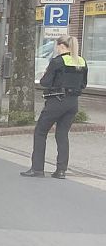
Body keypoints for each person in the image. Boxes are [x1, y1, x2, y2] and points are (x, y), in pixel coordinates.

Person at [21, 35, 88, 179]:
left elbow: (45, 82)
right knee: (62, 134)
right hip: (73, 103)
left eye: (57, 46)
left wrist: (45, 74)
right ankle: (61, 171)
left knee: (40, 132)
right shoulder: (81, 61)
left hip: (57, 101)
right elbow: (83, 84)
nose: (56, 48)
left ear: (61, 46)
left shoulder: (57, 61)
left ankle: (37, 169)